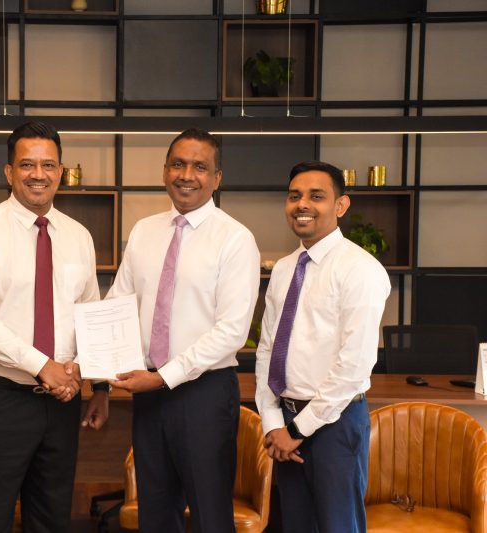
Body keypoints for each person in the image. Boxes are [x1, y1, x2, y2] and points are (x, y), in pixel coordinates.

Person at [0, 121, 109, 533]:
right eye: (27, 164)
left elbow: (89, 312)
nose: (38, 174)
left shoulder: (78, 236)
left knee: (51, 518)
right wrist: (43, 366)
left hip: (61, 402)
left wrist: (94, 381)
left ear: (60, 172)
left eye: (48, 165)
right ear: (9, 172)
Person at [106, 128, 260, 533]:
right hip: (148, 394)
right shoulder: (144, 231)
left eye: (200, 167)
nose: (187, 175)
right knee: (155, 514)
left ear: (217, 178)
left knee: (211, 516)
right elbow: (118, 304)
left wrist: (162, 377)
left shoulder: (235, 239)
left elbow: (231, 331)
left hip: (203, 394)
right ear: (164, 171)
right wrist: (96, 361)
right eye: (178, 164)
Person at [255, 161, 390, 533]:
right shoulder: (284, 269)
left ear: (341, 205)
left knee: (338, 526)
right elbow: (267, 349)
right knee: (297, 525)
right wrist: (273, 424)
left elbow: (354, 366)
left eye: (316, 196)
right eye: (294, 196)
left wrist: (297, 431)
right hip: (286, 422)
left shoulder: (360, 270)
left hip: (335, 424)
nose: (302, 204)